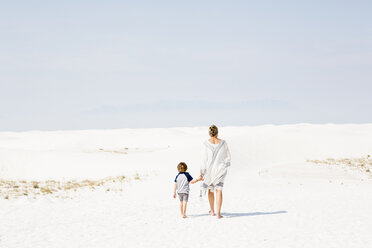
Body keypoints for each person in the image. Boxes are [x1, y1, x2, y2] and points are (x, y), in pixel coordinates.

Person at [200, 125, 231, 219]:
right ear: (217, 132)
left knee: (210, 189)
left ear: (209, 133)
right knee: (219, 190)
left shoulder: (206, 143)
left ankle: (212, 211)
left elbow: (204, 159)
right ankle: (218, 213)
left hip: (209, 170)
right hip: (220, 169)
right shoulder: (223, 143)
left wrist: (202, 171)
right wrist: (225, 165)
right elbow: (228, 156)